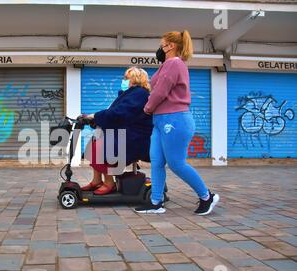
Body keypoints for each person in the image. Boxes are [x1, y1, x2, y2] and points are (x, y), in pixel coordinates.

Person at [134, 30, 219, 216]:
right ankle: (156, 202)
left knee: (176, 163)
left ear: (170, 46)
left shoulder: (174, 63)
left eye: (162, 44)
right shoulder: (167, 65)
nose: (160, 48)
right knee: (156, 161)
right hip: (161, 120)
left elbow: (160, 92)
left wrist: (146, 108)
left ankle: (207, 196)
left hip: (174, 119)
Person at [81, 67, 153, 195]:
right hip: (127, 133)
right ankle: (96, 180)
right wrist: (95, 119)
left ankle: (109, 183)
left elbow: (119, 114)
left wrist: (96, 116)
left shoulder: (139, 94)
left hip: (135, 138)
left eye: (126, 78)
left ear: (135, 80)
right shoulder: (130, 94)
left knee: (101, 145)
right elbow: (113, 115)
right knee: (96, 139)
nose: (123, 80)